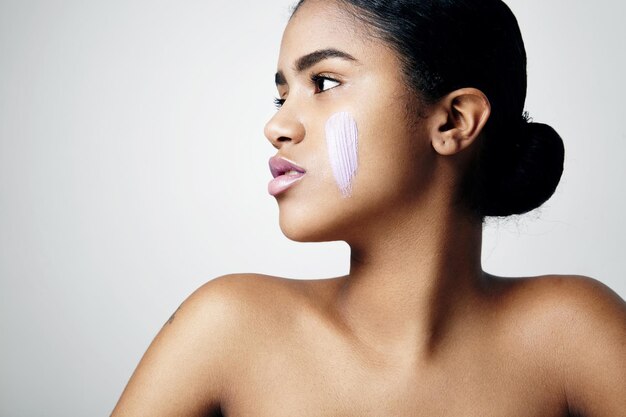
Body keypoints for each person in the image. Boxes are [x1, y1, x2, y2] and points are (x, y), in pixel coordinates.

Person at [111, 0, 626, 415]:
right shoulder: (229, 328)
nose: (278, 127)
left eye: (325, 82)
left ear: (453, 121)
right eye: (281, 96)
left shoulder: (571, 334)